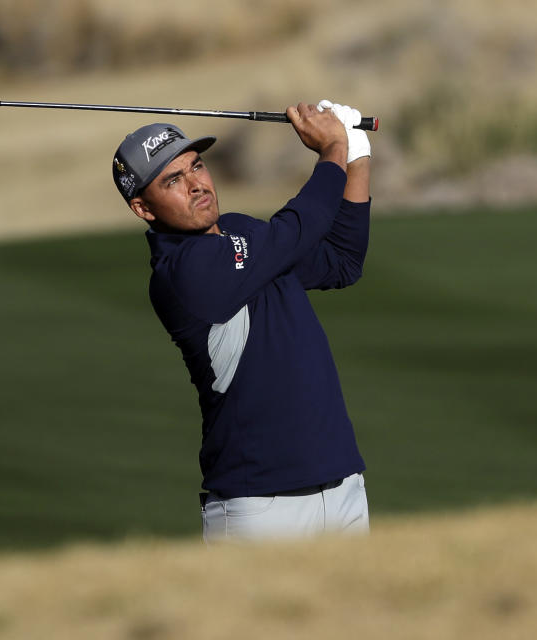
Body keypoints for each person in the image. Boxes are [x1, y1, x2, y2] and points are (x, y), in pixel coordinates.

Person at [111, 100, 372, 542]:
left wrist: (357, 156)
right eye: (173, 180)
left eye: (196, 167)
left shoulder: (242, 232)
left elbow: (341, 261)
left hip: (343, 483)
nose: (196, 185)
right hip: (260, 506)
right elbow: (295, 230)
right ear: (144, 208)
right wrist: (332, 152)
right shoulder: (181, 274)